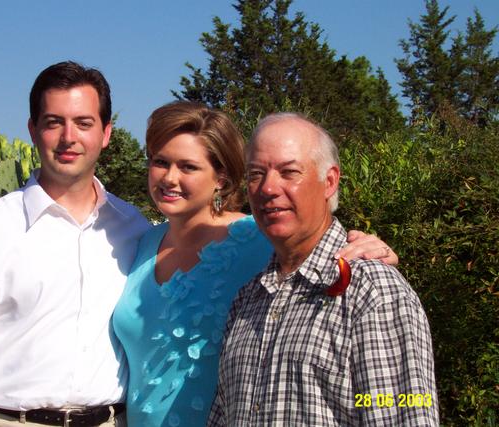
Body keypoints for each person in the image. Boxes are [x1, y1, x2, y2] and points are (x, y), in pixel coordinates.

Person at [112, 102, 399, 427]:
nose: (169, 177)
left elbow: (320, 242)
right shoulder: (140, 242)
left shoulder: (258, 236)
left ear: (220, 177)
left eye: (188, 167)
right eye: (160, 162)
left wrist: (373, 251)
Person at [0, 61, 149, 427]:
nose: (69, 137)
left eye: (84, 123)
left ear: (106, 133)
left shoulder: (133, 228)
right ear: (33, 130)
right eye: (54, 122)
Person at [207, 113, 438, 426]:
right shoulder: (248, 299)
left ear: (329, 181)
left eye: (289, 172)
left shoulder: (372, 292)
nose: (268, 188)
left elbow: (403, 416)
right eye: (256, 174)